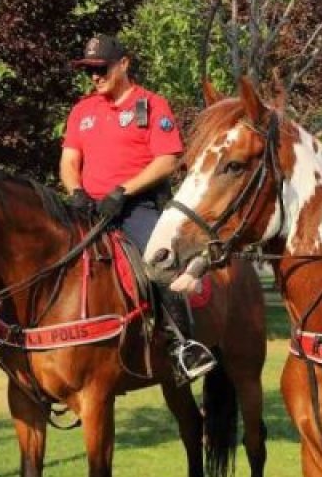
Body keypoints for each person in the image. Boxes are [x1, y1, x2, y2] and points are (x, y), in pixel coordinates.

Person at [60, 34, 215, 383]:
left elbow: (168, 160)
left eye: (101, 69)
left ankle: (182, 347)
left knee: (159, 266)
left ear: (124, 64)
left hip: (136, 208)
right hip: (87, 209)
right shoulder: (82, 110)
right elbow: (69, 160)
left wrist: (122, 191)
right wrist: (76, 190)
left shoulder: (151, 105)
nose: (94, 76)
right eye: (89, 71)